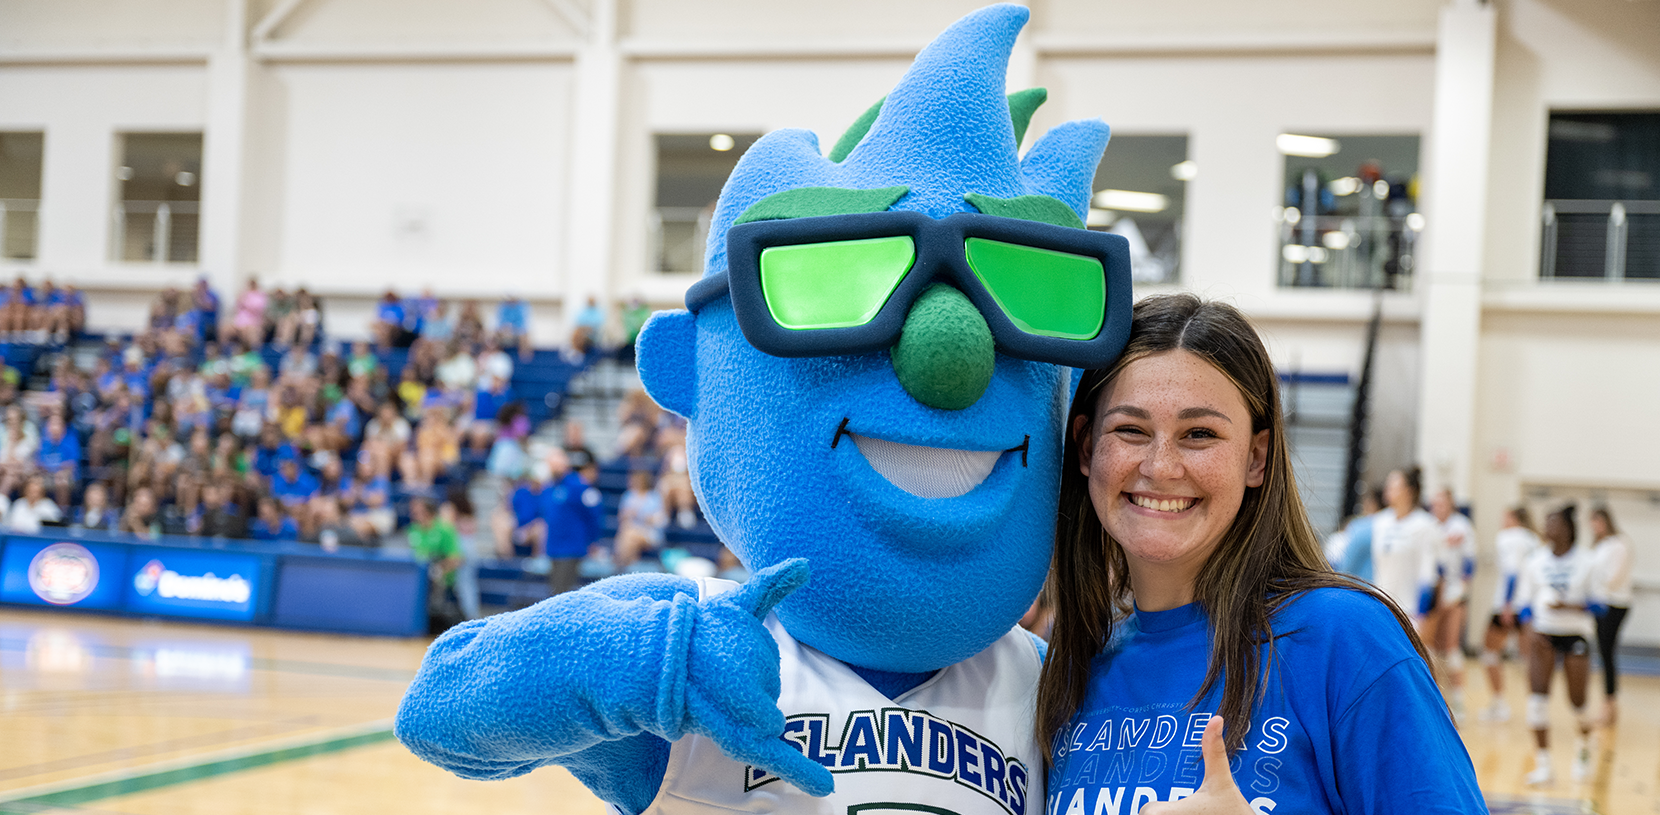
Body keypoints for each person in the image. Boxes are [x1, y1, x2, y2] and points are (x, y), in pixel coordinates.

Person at [1040, 295, 1483, 813]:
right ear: (1087, 446)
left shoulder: (1344, 640)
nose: (1160, 467)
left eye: (1199, 434)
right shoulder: (1072, 667)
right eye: (1131, 430)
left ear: (1257, 457)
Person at [1516, 504, 1601, 785]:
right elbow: (1524, 605)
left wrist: (1570, 606)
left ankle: (1584, 749)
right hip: (1544, 635)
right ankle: (1544, 766)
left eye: (1553, 522)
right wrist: (1530, 630)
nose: (1547, 527)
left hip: (1575, 635)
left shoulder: (1588, 562)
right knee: (1536, 701)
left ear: (1567, 528)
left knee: (1578, 702)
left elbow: (1601, 606)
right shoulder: (1535, 561)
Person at [1479, 505, 1542, 722]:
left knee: (1489, 653)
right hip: (1528, 606)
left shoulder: (1507, 537)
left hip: (1507, 606)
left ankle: (1499, 705)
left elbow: (1512, 573)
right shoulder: (1534, 540)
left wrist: (1506, 604)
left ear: (1513, 518)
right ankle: (1536, 709)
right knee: (1528, 659)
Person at [1370, 466, 1442, 628]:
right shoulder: (1380, 521)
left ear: (1409, 491)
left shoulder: (1426, 525)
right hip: (1382, 607)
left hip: (1410, 612)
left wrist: (1422, 615)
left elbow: (1428, 574)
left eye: (1394, 485)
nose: (1387, 489)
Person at [1426, 487, 1476, 718]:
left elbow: (1469, 563)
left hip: (1455, 593)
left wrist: (1461, 592)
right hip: (1434, 592)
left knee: (1452, 647)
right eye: (1434, 503)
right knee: (1430, 647)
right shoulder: (1429, 527)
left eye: (1441, 503)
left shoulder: (1462, 526)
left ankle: (1458, 702)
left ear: (1451, 504)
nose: (1437, 507)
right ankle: (1435, 699)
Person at [1588, 505, 1632, 726]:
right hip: (1600, 604)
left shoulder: (1619, 543)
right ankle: (1608, 704)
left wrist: (1594, 588)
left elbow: (1613, 577)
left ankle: (1609, 706)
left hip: (1614, 604)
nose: (1594, 527)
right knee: (1604, 655)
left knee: (1607, 654)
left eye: (1597, 521)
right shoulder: (1599, 545)